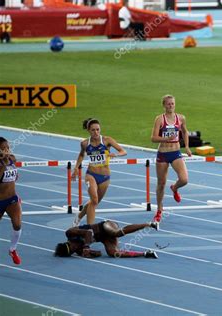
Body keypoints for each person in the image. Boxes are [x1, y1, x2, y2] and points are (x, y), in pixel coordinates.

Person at [72, 118, 127, 226]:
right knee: (95, 200)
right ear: (88, 130)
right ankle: (89, 229)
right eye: (93, 130)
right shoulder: (84, 143)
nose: (96, 132)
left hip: (105, 177)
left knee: (94, 202)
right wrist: (76, 168)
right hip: (91, 174)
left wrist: (116, 154)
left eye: (98, 129)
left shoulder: (107, 140)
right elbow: (82, 154)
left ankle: (79, 216)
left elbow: (123, 151)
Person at [151, 95, 192, 223]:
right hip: (163, 153)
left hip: (175, 152)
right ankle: (159, 209)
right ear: (164, 105)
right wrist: (166, 139)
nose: (171, 106)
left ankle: (174, 188)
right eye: (168, 104)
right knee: (161, 184)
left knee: (184, 179)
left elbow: (185, 132)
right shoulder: (159, 119)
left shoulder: (181, 118)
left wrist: (187, 147)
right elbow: (153, 138)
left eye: (173, 104)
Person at [54, 220, 159, 258]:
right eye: (73, 251)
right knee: (114, 254)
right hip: (104, 238)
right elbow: (99, 253)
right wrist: (90, 254)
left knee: (116, 233)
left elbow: (89, 232)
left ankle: (149, 224)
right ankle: (146, 254)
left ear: (68, 243)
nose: (75, 248)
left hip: (105, 226)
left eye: (73, 247)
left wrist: (86, 246)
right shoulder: (78, 250)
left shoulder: (70, 233)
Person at [0, 137, 22, 265]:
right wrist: (3, 162)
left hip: (12, 199)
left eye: (7, 147)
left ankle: (12, 249)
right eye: (3, 148)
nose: (7, 150)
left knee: (17, 224)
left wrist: (7, 157)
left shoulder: (11, 158)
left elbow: (13, 159)